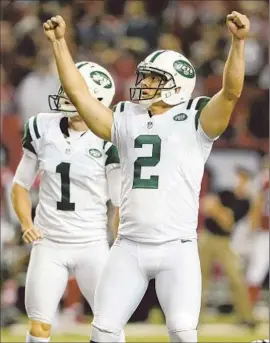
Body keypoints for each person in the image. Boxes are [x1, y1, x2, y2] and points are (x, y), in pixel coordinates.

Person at [43, 11, 250, 343]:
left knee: (183, 333)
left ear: (176, 85)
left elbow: (230, 93)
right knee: (103, 331)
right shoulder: (127, 117)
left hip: (177, 248)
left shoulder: (195, 119)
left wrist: (238, 43)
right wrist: (59, 45)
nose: (144, 84)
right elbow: (81, 97)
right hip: (129, 246)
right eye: (145, 77)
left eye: (154, 79)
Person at [11, 61, 121, 343]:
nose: (65, 96)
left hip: (92, 243)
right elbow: (20, 185)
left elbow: (119, 202)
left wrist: (121, 243)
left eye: (73, 91)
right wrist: (26, 223)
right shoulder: (42, 127)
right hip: (49, 242)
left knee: (110, 323)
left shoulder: (109, 139)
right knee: (39, 326)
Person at [199, 167, 255, 327]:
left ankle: (246, 318)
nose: (240, 181)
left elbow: (228, 222)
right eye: (239, 177)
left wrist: (217, 210)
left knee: (236, 278)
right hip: (206, 238)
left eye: (243, 179)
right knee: (199, 279)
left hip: (224, 242)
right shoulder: (226, 192)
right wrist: (221, 213)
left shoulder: (246, 202)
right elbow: (206, 205)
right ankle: (193, 318)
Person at [247, 155, 269, 308]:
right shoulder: (263, 180)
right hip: (264, 231)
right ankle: (248, 307)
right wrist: (253, 226)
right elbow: (256, 203)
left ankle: (249, 307)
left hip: (263, 231)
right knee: (257, 269)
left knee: (257, 269)